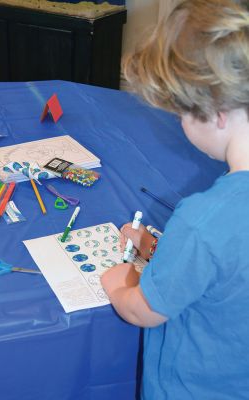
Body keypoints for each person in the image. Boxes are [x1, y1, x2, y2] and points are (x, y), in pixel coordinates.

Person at [101, 0, 249, 399]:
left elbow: (144, 310)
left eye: (180, 112)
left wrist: (118, 286)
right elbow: (229, 267)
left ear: (216, 112)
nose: (179, 123)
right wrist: (155, 248)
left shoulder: (203, 219)